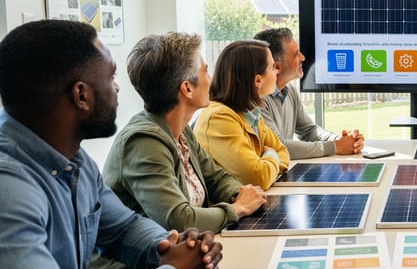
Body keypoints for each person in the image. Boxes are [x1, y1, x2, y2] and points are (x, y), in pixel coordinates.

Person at [0, 20, 223, 269]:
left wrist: (172, 246)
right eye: (111, 77)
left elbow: (122, 228)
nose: (118, 88)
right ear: (81, 95)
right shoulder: (9, 184)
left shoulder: (75, 161)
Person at [103, 33, 267, 232]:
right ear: (187, 88)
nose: (211, 79)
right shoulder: (143, 142)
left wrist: (239, 193)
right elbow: (178, 220)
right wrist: (238, 208)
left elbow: (216, 178)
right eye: (205, 71)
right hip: (146, 253)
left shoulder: (182, 130)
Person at [253, 28, 364, 159]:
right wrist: (335, 146)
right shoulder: (256, 98)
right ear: (276, 66)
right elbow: (278, 146)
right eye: (296, 54)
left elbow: (309, 131)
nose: (303, 57)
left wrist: (341, 140)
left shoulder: (289, 90)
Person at [194, 39, 290, 188]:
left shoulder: (250, 113)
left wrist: (267, 162)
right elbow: (259, 177)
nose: (277, 71)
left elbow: (283, 151)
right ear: (257, 80)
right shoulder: (219, 118)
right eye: (272, 67)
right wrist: (271, 155)